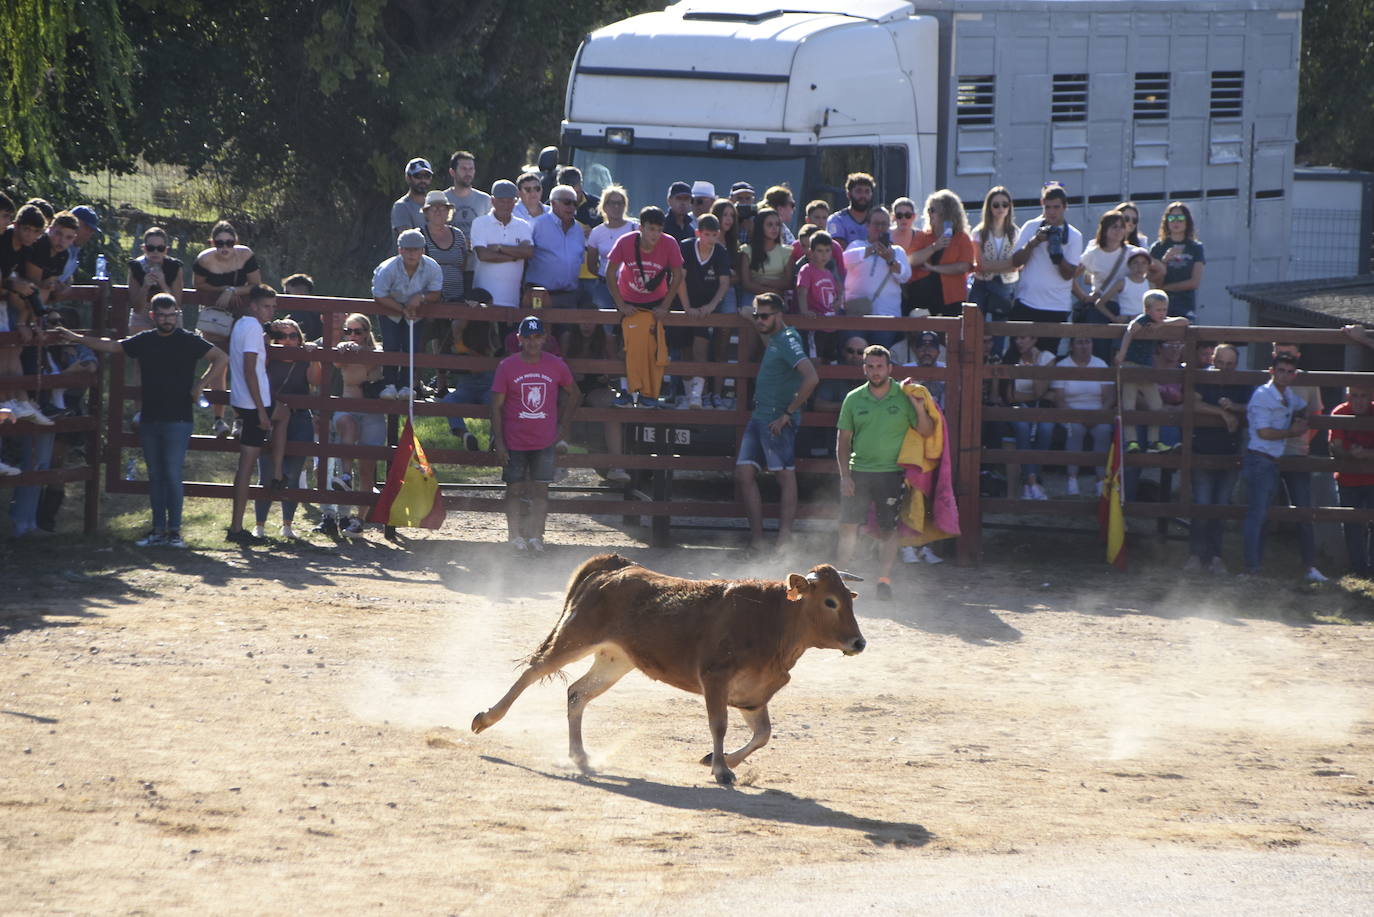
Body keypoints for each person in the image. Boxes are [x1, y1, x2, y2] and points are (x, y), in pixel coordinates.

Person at [59, 293, 225, 547]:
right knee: (156, 476)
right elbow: (114, 345)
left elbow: (221, 358)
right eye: (162, 315)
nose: (168, 320)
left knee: (171, 474)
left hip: (179, 418)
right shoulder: (145, 340)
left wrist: (200, 386)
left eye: (172, 315)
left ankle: (175, 532)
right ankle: (158, 530)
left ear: (178, 315)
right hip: (149, 417)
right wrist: (77, 338)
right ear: (153, 316)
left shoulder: (188, 340)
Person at [836, 344, 937, 600]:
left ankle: (883, 581)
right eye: (870, 366)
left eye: (879, 366)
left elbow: (926, 431)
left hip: (892, 473)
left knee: (888, 530)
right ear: (864, 368)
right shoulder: (853, 398)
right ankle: (841, 579)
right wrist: (845, 476)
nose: (875, 371)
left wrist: (916, 406)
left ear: (890, 368)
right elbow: (843, 441)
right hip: (858, 471)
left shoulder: (903, 397)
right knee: (848, 527)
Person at [736, 293, 818, 550]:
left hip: (775, 418)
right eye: (756, 315)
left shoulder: (788, 339)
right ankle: (759, 540)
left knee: (784, 476)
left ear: (779, 315)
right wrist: (751, 320)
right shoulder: (776, 338)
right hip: (762, 415)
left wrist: (788, 413)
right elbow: (768, 337)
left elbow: (811, 377)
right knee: (744, 473)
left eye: (764, 316)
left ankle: (783, 540)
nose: (759, 320)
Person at [491, 315, 579, 554]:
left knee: (541, 490)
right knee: (514, 489)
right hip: (514, 439)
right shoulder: (507, 366)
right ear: (519, 339)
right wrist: (499, 441)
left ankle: (536, 536)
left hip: (544, 439)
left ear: (544, 339)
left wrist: (563, 426)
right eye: (527, 337)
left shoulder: (556, 365)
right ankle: (514, 536)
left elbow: (574, 393)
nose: (532, 342)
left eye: (537, 337)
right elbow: (496, 405)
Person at [606, 206, 685, 406]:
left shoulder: (669, 244)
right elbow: (610, 272)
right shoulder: (625, 242)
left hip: (655, 301)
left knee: (653, 349)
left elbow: (678, 275)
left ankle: (648, 394)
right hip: (628, 299)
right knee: (624, 347)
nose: (655, 234)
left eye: (659, 230)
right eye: (651, 229)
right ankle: (624, 390)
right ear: (641, 228)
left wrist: (665, 305)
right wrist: (620, 304)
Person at [1242, 353, 1310, 578]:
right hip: (1261, 459)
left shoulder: (1287, 395)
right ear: (1272, 371)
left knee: (1261, 516)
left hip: (1269, 461)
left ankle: (1254, 566)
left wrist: (1302, 418)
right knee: (1257, 515)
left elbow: (1303, 406)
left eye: (1290, 372)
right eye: (1281, 370)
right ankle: (1251, 566)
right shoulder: (1263, 395)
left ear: (1294, 375)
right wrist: (1293, 430)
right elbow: (1263, 432)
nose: (1285, 376)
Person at [192, 220, 262, 436]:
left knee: (241, 363)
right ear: (212, 242)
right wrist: (222, 288)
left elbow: (256, 285)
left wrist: (233, 290)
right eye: (220, 243)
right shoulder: (204, 258)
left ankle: (239, 420)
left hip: (241, 310)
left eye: (229, 243)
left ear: (236, 242)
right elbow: (198, 284)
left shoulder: (245, 255)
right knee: (219, 361)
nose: (225, 248)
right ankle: (218, 419)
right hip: (215, 312)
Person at [1185, 342, 1250, 573]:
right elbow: (1192, 402)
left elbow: (1251, 406)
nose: (1224, 368)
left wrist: (1235, 407)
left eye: (1229, 364)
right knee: (1202, 505)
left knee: (1220, 508)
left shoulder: (1242, 382)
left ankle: (1214, 556)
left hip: (1229, 454)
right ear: (1213, 360)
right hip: (1203, 451)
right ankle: (1196, 554)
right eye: (1220, 363)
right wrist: (1223, 413)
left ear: (1236, 364)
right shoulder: (1202, 377)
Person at [253, 318, 320, 540]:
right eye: (282, 336)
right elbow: (255, 368)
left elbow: (315, 381)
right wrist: (268, 338)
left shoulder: (304, 355)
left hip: (300, 418)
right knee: (267, 473)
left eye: (293, 336)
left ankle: (287, 525)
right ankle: (259, 525)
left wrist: (312, 357)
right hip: (271, 416)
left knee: (292, 473)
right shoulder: (268, 354)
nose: (288, 340)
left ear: (300, 338)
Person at [225, 284, 277, 545]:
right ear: (253, 305)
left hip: (245, 400)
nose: (270, 311)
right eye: (266, 306)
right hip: (254, 402)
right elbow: (249, 370)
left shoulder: (242, 326)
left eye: (273, 307)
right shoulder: (253, 327)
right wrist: (261, 411)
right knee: (247, 464)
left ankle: (236, 525)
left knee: (245, 463)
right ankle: (236, 527)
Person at [1272, 342, 1327, 582]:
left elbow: (1316, 415)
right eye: (1280, 348)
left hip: (1296, 452)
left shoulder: (1308, 381)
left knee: (1303, 509)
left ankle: (1309, 566)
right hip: (1269, 453)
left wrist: (1303, 440)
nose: (1285, 354)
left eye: (1290, 349)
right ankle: (1254, 564)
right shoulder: (1266, 380)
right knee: (1261, 507)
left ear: (1298, 355)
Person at [329, 313, 387, 537]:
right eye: (348, 331)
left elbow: (377, 360)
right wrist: (344, 346)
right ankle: (344, 476)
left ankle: (359, 520)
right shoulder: (343, 350)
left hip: (372, 412)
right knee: (346, 423)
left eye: (358, 331)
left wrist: (361, 350)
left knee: (366, 469)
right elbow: (337, 360)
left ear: (367, 332)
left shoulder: (378, 351)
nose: (353, 335)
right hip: (348, 406)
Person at [1010, 181, 1083, 351]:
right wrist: (1034, 242)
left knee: (1046, 359)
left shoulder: (1073, 236)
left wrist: (1056, 254)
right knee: (1015, 355)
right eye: (1048, 207)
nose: (1051, 212)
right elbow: (1015, 262)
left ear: (1065, 207)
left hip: (1055, 307)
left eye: (1056, 207)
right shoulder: (1031, 227)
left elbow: (1067, 275)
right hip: (1027, 302)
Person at [1114, 290, 1188, 453]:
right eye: (1158, 310)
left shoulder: (1160, 321)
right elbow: (1129, 331)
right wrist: (1122, 352)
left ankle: (1153, 441)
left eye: (1164, 310)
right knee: (1129, 404)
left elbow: (1184, 321)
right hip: (1131, 364)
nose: (1162, 313)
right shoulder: (1142, 320)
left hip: (1147, 368)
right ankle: (1131, 441)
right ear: (1147, 310)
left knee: (1156, 405)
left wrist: (1163, 324)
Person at [372, 228, 442, 399]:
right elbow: (379, 294)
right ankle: (388, 384)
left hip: (416, 312)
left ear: (422, 250)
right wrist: (402, 309)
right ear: (400, 250)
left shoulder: (432, 267)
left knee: (412, 346)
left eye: (416, 249)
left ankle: (406, 385)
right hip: (390, 309)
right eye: (407, 249)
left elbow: (436, 293)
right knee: (391, 345)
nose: (412, 253)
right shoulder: (387, 268)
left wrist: (421, 297)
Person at [675, 213, 733, 408]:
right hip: (683, 304)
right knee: (685, 351)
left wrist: (711, 306)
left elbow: (724, 283)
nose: (710, 239)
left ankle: (697, 396)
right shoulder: (685, 247)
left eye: (714, 235)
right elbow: (679, 279)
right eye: (706, 235)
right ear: (699, 232)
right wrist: (687, 307)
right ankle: (687, 393)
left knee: (701, 348)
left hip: (705, 308)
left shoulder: (720, 252)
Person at [1073, 210, 1142, 361]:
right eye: (1114, 227)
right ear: (1104, 230)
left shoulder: (1132, 252)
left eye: (1121, 227)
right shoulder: (1093, 253)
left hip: (1126, 307)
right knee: (1100, 353)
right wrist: (1084, 298)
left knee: (1125, 354)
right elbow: (1070, 277)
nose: (1118, 231)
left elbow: (1153, 270)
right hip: (1101, 308)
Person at [1052, 334, 1114, 497]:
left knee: (1104, 432)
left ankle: (1100, 481)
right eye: (1080, 342)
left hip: (1098, 411)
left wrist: (1099, 415)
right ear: (1071, 346)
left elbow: (1109, 397)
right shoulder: (1063, 366)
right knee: (1075, 431)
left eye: (1088, 341)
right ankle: (1072, 479)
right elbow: (1059, 399)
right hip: (1071, 412)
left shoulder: (1100, 364)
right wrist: (1076, 417)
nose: (1084, 346)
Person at [841, 207, 910, 347]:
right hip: (857, 316)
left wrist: (890, 260)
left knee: (879, 361)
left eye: (884, 224)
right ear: (867, 226)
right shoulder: (857, 245)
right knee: (852, 360)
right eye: (876, 224)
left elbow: (905, 276)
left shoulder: (897, 251)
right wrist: (872, 249)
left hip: (886, 319)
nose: (880, 228)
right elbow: (845, 260)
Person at [905, 189, 976, 317]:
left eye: (933, 210)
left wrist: (933, 268)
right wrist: (934, 247)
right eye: (928, 210)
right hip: (923, 299)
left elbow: (963, 266)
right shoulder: (923, 236)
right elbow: (910, 260)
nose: (929, 214)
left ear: (946, 213)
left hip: (952, 298)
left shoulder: (961, 238)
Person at [1003, 333, 1056, 499]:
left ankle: (1029, 482)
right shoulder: (1009, 355)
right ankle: (1033, 483)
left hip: (1040, 408)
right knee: (1022, 427)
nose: (1018, 341)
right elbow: (1011, 396)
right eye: (1016, 338)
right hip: (1017, 407)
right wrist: (1043, 395)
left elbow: (1039, 391)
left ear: (1035, 339)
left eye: (1023, 338)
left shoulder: (1047, 358)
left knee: (1046, 429)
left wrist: (1033, 364)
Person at [1328, 383, 1374, 576]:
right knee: (1351, 524)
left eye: (1363, 396)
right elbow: (1334, 447)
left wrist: (1367, 454)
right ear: (1348, 397)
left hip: (1372, 479)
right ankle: (1359, 569)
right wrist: (1351, 454)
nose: (1359, 400)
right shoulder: (1340, 411)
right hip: (1347, 478)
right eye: (1355, 396)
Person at [470, 179, 534, 309]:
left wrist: (500, 248)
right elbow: (483, 255)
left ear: (515, 202)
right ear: (493, 201)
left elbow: (528, 252)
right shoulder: (480, 223)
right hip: (484, 300)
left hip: (512, 300)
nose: (505, 205)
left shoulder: (523, 225)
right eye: (501, 201)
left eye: (509, 201)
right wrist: (514, 257)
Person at [968, 186, 1020, 348]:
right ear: (989, 207)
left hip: (1006, 285)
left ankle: (996, 360)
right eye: (996, 205)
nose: (1000, 209)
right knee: (974, 326)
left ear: (1010, 207)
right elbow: (981, 265)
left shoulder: (1015, 233)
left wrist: (992, 266)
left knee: (1000, 330)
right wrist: (1007, 265)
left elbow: (1017, 265)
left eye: (1005, 205)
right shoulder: (979, 232)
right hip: (982, 284)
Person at [526, 184, 588, 308]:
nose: (571, 207)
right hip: (540, 295)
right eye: (567, 202)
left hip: (569, 296)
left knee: (566, 328)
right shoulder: (536, 225)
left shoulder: (579, 230)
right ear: (553, 203)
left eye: (574, 203)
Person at [585, 185, 637, 312]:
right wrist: (605, 275)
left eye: (620, 203)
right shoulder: (597, 232)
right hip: (605, 287)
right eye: (612, 203)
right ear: (604, 206)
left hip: (631, 286)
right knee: (605, 324)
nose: (616, 207)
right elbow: (591, 265)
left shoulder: (635, 228)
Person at [1150, 202, 1205, 320]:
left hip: (1185, 303)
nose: (1176, 222)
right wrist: (1164, 260)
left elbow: (1194, 282)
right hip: (1161, 305)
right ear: (1166, 221)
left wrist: (1166, 288)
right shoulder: (1158, 247)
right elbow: (1153, 280)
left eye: (1180, 218)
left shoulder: (1195, 247)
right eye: (1172, 218)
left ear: (1187, 221)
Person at [795, 230, 844, 361]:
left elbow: (838, 291)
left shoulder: (829, 272)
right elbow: (802, 291)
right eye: (820, 251)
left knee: (831, 361)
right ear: (811, 251)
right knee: (814, 360)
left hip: (831, 325)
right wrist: (805, 311)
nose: (824, 255)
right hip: (814, 326)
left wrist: (839, 301)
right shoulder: (806, 270)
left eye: (827, 250)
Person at [124, 226, 182, 334]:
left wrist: (163, 284)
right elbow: (137, 308)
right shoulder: (136, 267)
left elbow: (177, 305)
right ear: (144, 249)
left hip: (169, 313)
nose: (155, 252)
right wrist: (145, 286)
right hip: (143, 313)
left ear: (166, 250)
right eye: (151, 248)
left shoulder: (174, 267)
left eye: (160, 248)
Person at [420, 190, 469, 304]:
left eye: (442, 208)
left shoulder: (458, 234)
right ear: (426, 213)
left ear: (448, 212)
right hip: (430, 298)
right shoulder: (420, 235)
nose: (438, 212)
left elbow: (463, 263)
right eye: (433, 209)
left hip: (457, 296)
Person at [441, 150, 492, 256]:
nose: (468, 173)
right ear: (452, 172)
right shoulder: (442, 200)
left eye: (471, 169)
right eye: (463, 169)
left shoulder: (485, 200)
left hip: (477, 265)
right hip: (450, 264)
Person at [813, 335, 869, 412]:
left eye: (860, 352)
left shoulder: (874, 375)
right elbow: (819, 405)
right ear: (843, 352)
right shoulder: (834, 373)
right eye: (850, 351)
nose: (855, 355)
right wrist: (847, 405)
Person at [826, 172, 874, 251]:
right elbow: (839, 250)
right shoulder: (836, 220)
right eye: (859, 191)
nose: (863, 196)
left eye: (867, 191)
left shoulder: (877, 220)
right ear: (848, 194)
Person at [391, 157, 433, 238]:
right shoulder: (401, 206)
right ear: (408, 178)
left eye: (427, 176)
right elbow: (408, 239)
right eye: (418, 176)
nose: (423, 180)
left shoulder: (434, 205)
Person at [281, 272, 321, 342]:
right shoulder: (322, 314)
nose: (286, 297)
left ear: (300, 292)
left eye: (288, 293)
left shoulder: (296, 316)